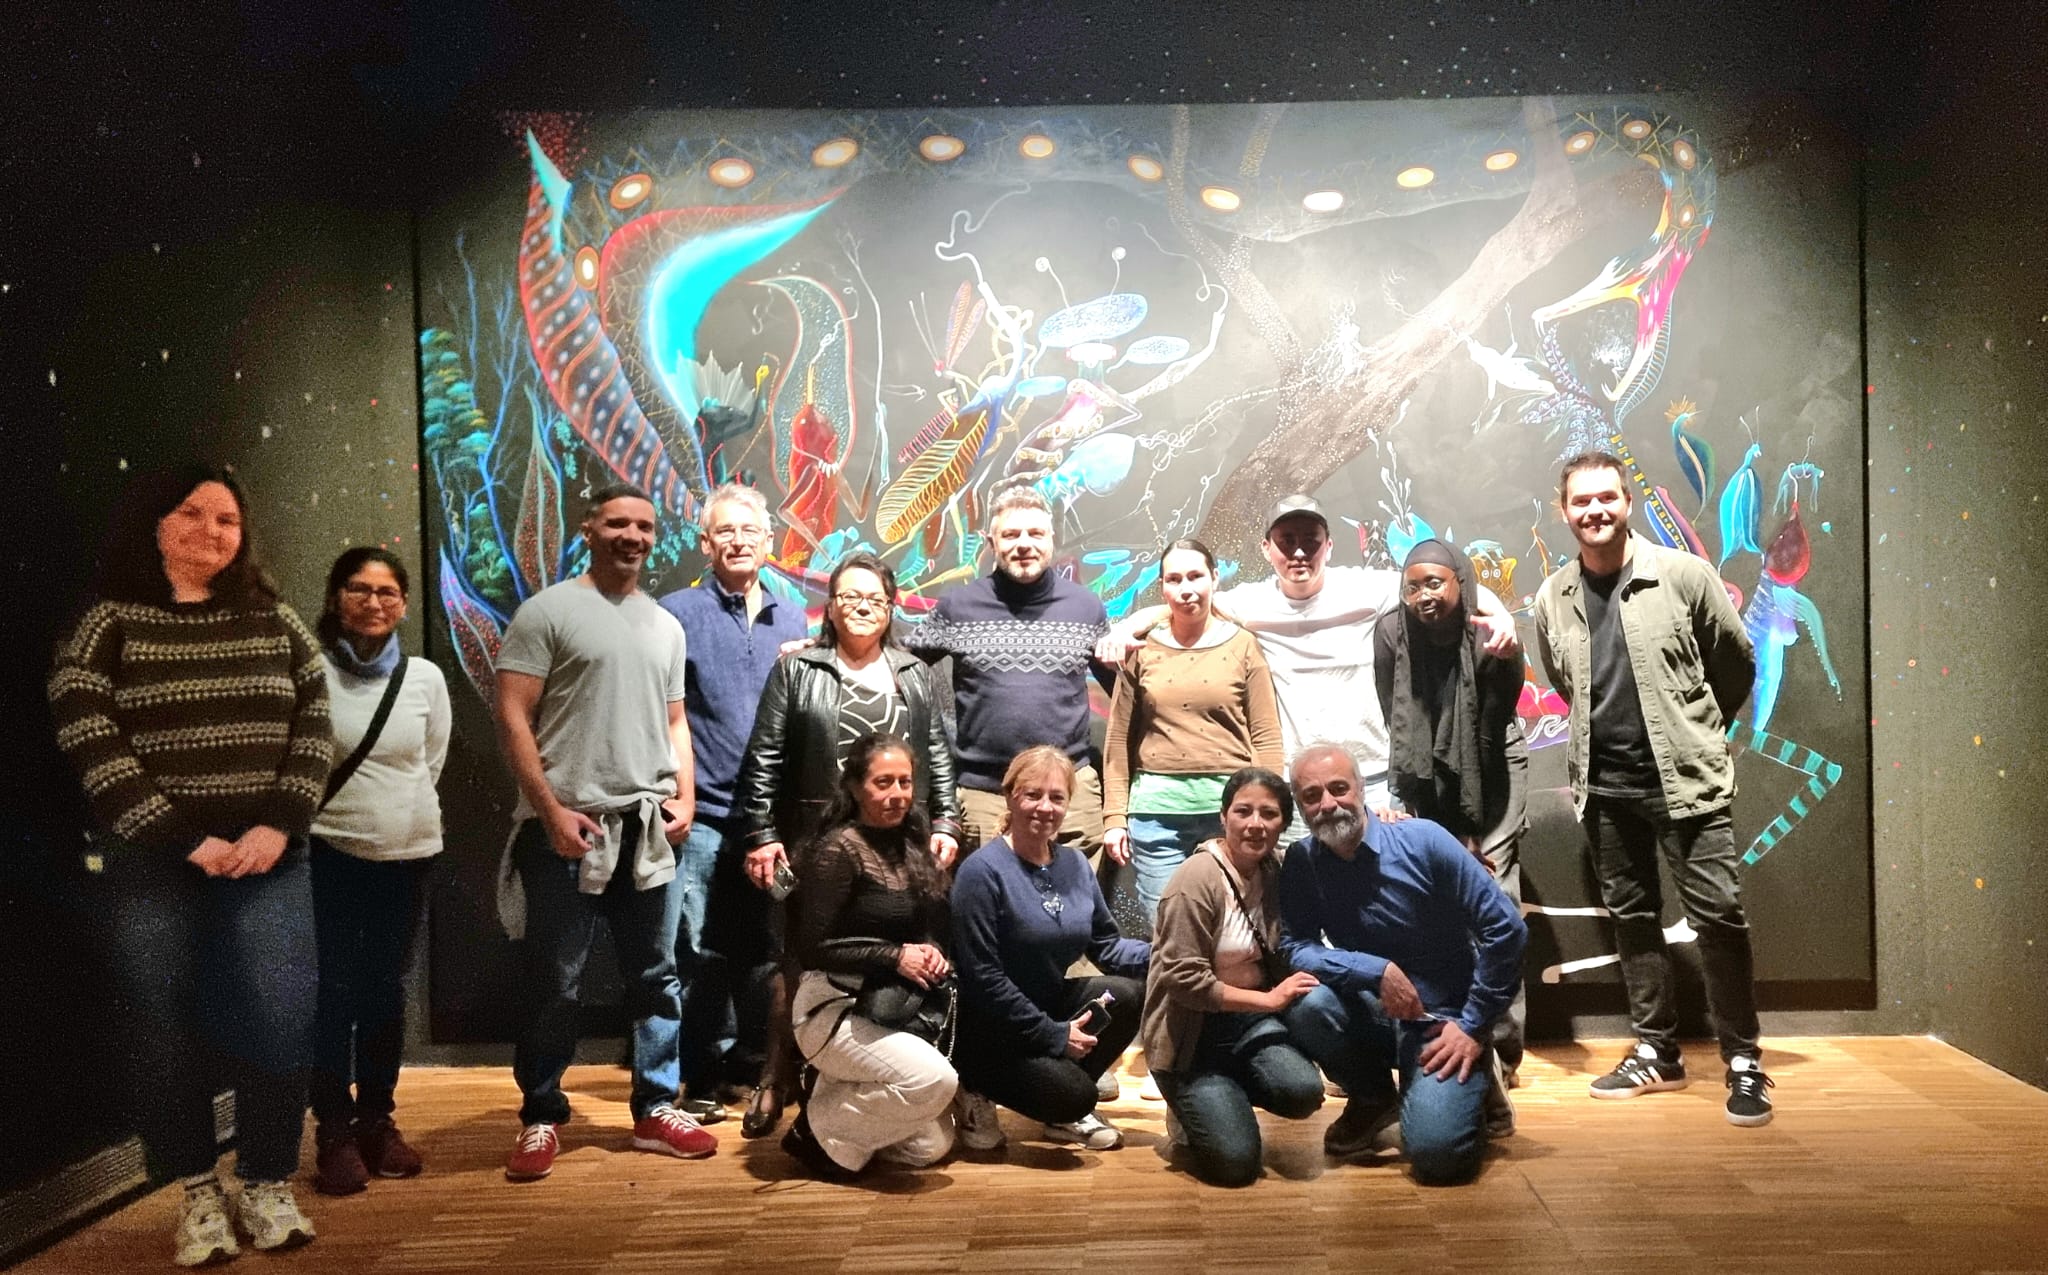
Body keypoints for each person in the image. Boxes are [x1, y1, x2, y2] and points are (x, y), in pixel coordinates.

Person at [48, 465, 332, 1265]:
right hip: (154, 862)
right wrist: (179, 836)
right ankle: (198, 1192)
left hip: (269, 857)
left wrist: (280, 822)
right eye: (193, 512)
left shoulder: (273, 619)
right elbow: (86, 729)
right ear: (154, 521)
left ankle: (266, 1179)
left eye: (227, 519)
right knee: (162, 1025)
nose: (213, 530)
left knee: (281, 1016)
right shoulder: (108, 622)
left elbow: (315, 719)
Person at [1531, 451, 1771, 1125]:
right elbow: (1565, 683)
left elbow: (1735, 663)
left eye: (1607, 497)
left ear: (1627, 501)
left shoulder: (1684, 575)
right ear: (1564, 511)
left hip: (1687, 783)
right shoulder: (1554, 597)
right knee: (1633, 919)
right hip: (1605, 789)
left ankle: (1744, 1060)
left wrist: (1696, 731)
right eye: (1582, 501)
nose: (1595, 510)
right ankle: (1657, 1052)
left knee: (1719, 917)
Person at [493, 482, 715, 1181]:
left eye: (644, 526)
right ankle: (541, 1113)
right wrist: (550, 811)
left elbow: (675, 720)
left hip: (649, 830)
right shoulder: (548, 612)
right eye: (618, 523)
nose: (633, 536)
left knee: (657, 977)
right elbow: (511, 713)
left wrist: (686, 797)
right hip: (569, 829)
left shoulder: (665, 625)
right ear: (588, 529)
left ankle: (656, 1107)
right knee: (554, 982)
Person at [731, 551, 962, 1136]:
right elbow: (764, 757)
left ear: (890, 608)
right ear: (830, 608)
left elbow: (937, 756)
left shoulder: (914, 674)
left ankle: (861, 1075)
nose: (862, 607)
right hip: (814, 841)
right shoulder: (797, 669)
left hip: (898, 843)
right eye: (849, 597)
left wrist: (946, 823)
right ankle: (776, 1076)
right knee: (796, 958)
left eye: (874, 598)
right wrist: (762, 835)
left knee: (883, 954)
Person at [1100, 496, 1520, 813]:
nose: (1299, 552)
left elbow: (1450, 583)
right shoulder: (1249, 602)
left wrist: (1501, 616)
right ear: (1267, 549)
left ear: (1328, 546)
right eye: (1287, 542)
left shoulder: (1364, 588)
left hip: (1371, 774)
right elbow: (1185, 602)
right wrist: (1125, 628)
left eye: (1310, 541)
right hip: (1296, 778)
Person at [1278, 745, 1528, 1186]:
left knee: (1437, 1158)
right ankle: (1374, 1099)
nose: (1328, 804)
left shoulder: (1424, 840)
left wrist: (1473, 1025)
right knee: (1306, 1004)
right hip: (1376, 1010)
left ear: (1361, 789)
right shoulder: (1303, 861)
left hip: (1443, 1020)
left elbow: (1506, 930)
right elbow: (1295, 946)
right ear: (1299, 805)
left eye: (1339, 788)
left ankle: (1479, 1073)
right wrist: (1374, 970)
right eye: (1311, 796)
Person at [655, 483, 809, 1136]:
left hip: (772, 822)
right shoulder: (674, 613)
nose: (739, 541)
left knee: (765, 951)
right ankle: (699, 1074)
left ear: (770, 542)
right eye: (726, 531)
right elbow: (663, 713)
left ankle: (755, 1064)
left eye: (750, 531)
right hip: (703, 813)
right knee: (694, 951)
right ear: (705, 542)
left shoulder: (795, 619)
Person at [307, 548, 452, 1196]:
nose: (374, 602)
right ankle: (333, 1130)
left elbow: (430, 760)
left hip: (408, 856)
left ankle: (377, 1121)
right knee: (333, 993)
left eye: (387, 591)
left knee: (385, 992)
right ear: (336, 596)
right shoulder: (311, 672)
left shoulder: (424, 677)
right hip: (330, 852)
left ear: (403, 603)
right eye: (359, 589)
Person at [1373, 538, 1531, 1094]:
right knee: (1436, 907)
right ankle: (1444, 1029)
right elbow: (1396, 717)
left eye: (1435, 583)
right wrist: (1422, 809)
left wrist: (1468, 830)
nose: (1424, 596)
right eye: (1413, 586)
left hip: (1491, 767)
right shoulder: (1390, 632)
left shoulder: (1490, 633)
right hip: (1425, 773)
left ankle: (1501, 1049)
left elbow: (1492, 723)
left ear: (1461, 583)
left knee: (1494, 900)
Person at [950, 746, 1150, 1152]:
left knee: (1129, 995)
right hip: (989, 1029)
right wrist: (1054, 1035)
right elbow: (982, 978)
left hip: (1046, 1006)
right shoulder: (981, 872)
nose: (1045, 807)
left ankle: (1060, 1103)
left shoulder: (1074, 864)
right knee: (1077, 1096)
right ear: (1010, 797)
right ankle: (973, 1088)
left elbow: (1107, 947)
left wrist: (1168, 953)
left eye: (1057, 797)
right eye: (1033, 795)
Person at [784, 734, 960, 1177]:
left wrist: (931, 951)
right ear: (855, 787)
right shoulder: (838, 849)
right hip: (831, 1006)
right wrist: (895, 957)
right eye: (883, 782)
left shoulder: (911, 842)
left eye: (905, 782)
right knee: (936, 1081)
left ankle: (834, 1097)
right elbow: (813, 948)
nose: (897, 794)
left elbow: (922, 927)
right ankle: (815, 1131)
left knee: (932, 1146)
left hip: (886, 1005)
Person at [1140, 768, 1325, 1187]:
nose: (1255, 824)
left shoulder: (1276, 870)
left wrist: (1387, 819)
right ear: (1224, 817)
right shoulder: (1196, 879)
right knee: (1236, 1167)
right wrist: (1270, 1000)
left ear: (1283, 823)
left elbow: (1336, 848)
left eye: (1269, 814)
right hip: (1191, 1035)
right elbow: (1183, 981)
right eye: (1243, 811)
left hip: (1247, 1025)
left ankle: (1225, 1099)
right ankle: (1193, 1103)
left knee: (1302, 1091)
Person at [903, 486, 1114, 855]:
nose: (1024, 544)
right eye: (1011, 534)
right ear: (991, 542)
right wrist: (826, 644)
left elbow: (1127, 690)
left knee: (1075, 893)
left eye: (1035, 533)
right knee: (988, 893)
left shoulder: (1085, 607)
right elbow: (896, 661)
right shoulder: (958, 607)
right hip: (985, 795)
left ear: (1051, 539)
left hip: (1069, 796)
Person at [1101, 537, 1285, 930]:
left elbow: (1266, 736)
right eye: (1174, 579)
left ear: (1214, 578)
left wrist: (1268, 812)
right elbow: (1117, 740)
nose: (1186, 588)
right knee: (1171, 934)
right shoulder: (1140, 648)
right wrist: (1115, 816)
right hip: (1156, 820)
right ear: (1162, 587)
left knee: (1236, 933)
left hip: (1232, 819)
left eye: (1195, 576)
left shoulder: (1243, 645)